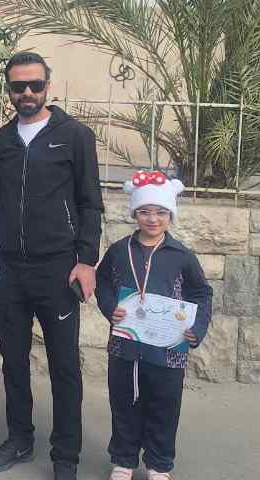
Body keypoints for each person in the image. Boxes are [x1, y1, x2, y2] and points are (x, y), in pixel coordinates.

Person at [0, 51, 104, 480]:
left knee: (64, 366)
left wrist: (86, 260)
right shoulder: (1, 141)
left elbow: (91, 203)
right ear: (9, 91)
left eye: (35, 85)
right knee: (13, 362)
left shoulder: (75, 136)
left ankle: (65, 455)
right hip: (10, 271)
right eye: (19, 86)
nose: (27, 93)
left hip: (58, 269)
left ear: (47, 86)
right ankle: (19, 438)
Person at [95, 171, 212, 480]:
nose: (152, 219)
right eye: (145, 211)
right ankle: (123, 460)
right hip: (125, 347)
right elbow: (102, 282)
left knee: (164, 407)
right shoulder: (119, 250)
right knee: (124, 404)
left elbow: (202, 293)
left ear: (170, 215)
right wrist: (110, 308)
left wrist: (197, 328)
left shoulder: (182, 256)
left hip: (169, 351)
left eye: (160, 212)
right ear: (135, 213)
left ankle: (159, 464)